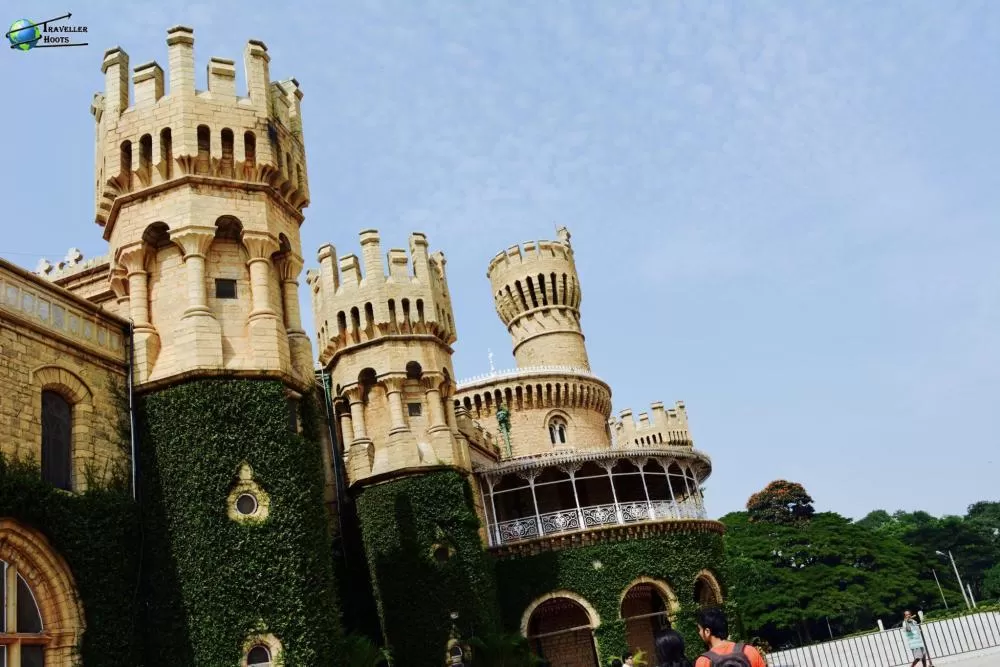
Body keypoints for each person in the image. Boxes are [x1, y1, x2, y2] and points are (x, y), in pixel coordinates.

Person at [694, 607, 766, 667]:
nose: (699, 632)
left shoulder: (703, 661)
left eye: (699, 629)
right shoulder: (749, 651)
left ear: (707, 631)